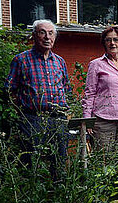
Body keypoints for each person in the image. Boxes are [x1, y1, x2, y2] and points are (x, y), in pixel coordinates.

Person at [6, 19, 71, 175]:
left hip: (58, 120)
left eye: (51, 33)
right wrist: (21, 114)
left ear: (55, 37)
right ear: (34, 35)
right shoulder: (21, 60)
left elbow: (66, 89)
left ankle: (57, 189)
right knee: (29, 163)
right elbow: (9, 90)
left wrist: (67, 113)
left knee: (59, 162)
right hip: (32, 120)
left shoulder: (60, 62)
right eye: (42, 32)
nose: (47, 37)